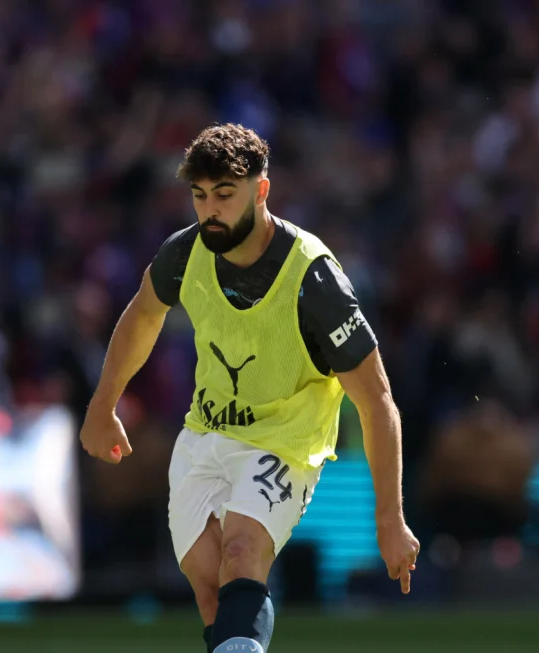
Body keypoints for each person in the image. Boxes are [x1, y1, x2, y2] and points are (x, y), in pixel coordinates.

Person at [79, 124, 419, 653]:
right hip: (203, 436)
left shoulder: (315, 279)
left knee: (242, 555)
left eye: (224, 194)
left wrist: (390, 518)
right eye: (199, 196)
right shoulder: (185, 253)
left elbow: (376, 399)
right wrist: (103, 403)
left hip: (284, 444)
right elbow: (143, 315)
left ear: (261, 190)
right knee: (211, 590)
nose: (209, 209)